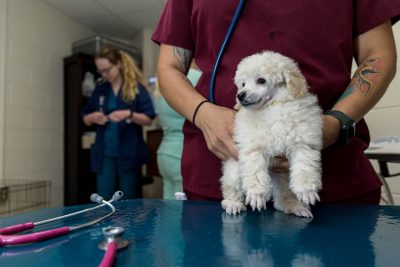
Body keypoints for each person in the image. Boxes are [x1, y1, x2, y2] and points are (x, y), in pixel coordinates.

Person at [152, 1, 400, 203]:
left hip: (332, 171)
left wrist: (336, 123)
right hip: (219, 171)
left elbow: (377, 55)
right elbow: (169, 67)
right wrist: (204, 116)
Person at [82, 46, 156, 200]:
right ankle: (104, 225)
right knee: (103, 197)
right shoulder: (100, 90)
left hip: (129, 152)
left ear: (118, 64)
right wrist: (92, 117)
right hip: (105, 153)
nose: (103, 74)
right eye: (100, 71)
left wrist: (129, 114)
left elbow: (148, 119)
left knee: (128, 199)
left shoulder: (136, 88)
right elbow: (85, 118)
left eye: (107, 70)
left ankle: (128, 225)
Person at [154, 62, 202, 199]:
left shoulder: (163, 81)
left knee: (169, 208)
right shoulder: (196, 77)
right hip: (181, 154)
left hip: (164, 153)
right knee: (180, 213)